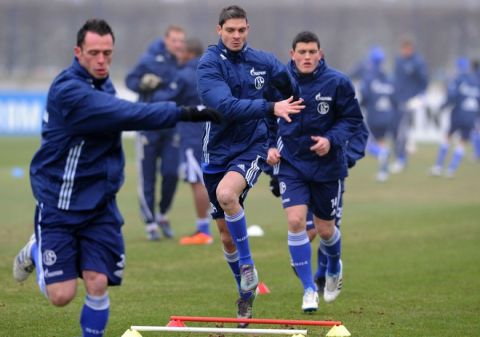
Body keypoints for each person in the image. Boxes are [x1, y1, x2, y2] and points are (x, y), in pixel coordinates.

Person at [12, 19, 220, 337]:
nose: (101, 61)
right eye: (94, 53)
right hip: (60, 202)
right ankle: (36, 250)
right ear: (77, 52)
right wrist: (186, 112)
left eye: (107, 53)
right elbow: (127, 114)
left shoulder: (103, 83)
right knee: (61, 296)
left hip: (99, 204)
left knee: (97, 281)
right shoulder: (69, 90)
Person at [196, 5, 304, 326]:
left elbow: (290, 92)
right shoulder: (208, 65)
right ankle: (246, 294)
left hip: (251, 147)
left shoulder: (265, 62)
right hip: (216, 153)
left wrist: (276, 132)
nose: (236, 36)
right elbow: (225, 106)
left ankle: (248, 266)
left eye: (241, 30)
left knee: (228, 195)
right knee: (226, 237)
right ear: (219, 31)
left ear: (248, 29)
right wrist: (272, 106)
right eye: (230, 30)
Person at [266, 31, 364, 312]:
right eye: (302, 52)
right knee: (296, 222)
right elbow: (267, 118)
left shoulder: (338, 82)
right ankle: (309, 289)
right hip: (292, 164)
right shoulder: (280, 83)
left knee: (325, 229)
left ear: (320, 54)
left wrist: (330, 140)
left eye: (312, 52)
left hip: (327, 166)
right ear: (292, 54)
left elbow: (352, 119)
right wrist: (270, 147)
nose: (307, 57)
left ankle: (334, 264)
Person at [125, 25, 186, 240]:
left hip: (172, 126)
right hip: (148, 126)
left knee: (171, 173)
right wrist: (143, 84)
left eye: (181, 41)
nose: (178, 44)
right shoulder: (149, 59)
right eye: (175, 40)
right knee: (147, 178)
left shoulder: (183, 63)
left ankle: (162, 214)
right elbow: (130, 81)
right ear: (166, 40)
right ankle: (150, 224)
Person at [152, 38, 214, 245]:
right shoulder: (210, 72)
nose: (178, 55)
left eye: (181, 52)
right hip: (211, 133)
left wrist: (152, 89)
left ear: (189, 53)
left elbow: (167, 98)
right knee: (211, 180)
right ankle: (221, 225)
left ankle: (203, 230)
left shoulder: (185, 74)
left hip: (191, 135)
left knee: (197, 182)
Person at [429, 57, 480, 178]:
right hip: (471, 116)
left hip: (458, 114)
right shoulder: (477, 82)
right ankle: (451, 170)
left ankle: (438, 166)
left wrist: (441, 108)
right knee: (462, 142)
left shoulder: (458, 79)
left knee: (447, 137)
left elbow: (451, 96)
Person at [359, 46, 397, 182]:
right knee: (381, 141)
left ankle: (383, 154)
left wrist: (359, 107)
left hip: (374, 116)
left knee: (365, 143)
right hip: (387, 116)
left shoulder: (369, 77)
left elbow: (365, 96)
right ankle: (383, 172)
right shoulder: (389, 77)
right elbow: (394, 98)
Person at [391, 36, 429, 173]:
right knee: (396, 131)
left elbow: (424, 82)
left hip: (410, 102)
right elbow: (396, 80)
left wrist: (420, 97)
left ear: (410, 49)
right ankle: (403, 154)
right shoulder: (399, 61)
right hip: (397, 101)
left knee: (402, 131)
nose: (404, 52)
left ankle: (401, 160)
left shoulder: (418, 62)